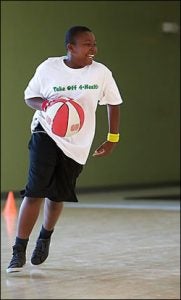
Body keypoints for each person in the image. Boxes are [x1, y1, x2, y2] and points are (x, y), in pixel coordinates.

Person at [7, 25, 123, 273]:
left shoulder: (101, 73)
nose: (93, 48)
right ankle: (18, 250)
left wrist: (112, 138)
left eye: (94, 43)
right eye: (87, 44)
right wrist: (48, 104)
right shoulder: (49, 68)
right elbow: (30, 97)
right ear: (70, 48)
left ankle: (45, 238)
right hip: (46, 131)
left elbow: (113, 103)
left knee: (58, 194)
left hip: (78, 142)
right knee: (35, 189)